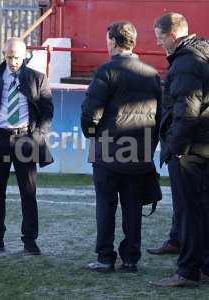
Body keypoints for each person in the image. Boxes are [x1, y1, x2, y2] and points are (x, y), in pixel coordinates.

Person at [81, 21, 162, 273]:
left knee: (106, 207)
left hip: (106, 151)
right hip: (138, 152)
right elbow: (159, 117)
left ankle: (105, 258)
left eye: (108, 39)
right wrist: (148, 146)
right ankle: (130, 259)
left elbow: (90, 113)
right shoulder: (152, 74)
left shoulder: (106, 71)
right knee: (133, 208)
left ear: (114, 41)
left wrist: (93, 136)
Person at [0, 38, 53, 255]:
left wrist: (37, 137)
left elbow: (47, 112)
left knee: (28, 193)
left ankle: (29, 240)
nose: (12, 61)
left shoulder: (37, 78)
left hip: (25, 140)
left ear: (24, 55)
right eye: (9, 57)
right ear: (4, 54)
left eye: (17, 57)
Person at [151, 12, 209, 287]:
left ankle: (187, 271)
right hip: (203, 146)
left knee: (189, 212)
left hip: (190, 151)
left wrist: (175, 149)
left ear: (173, 36)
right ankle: (205, 267)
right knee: (204, 210)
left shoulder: (187, 62)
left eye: (160, 39)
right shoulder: (203, 51)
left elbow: (187, 111)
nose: (159, 45)